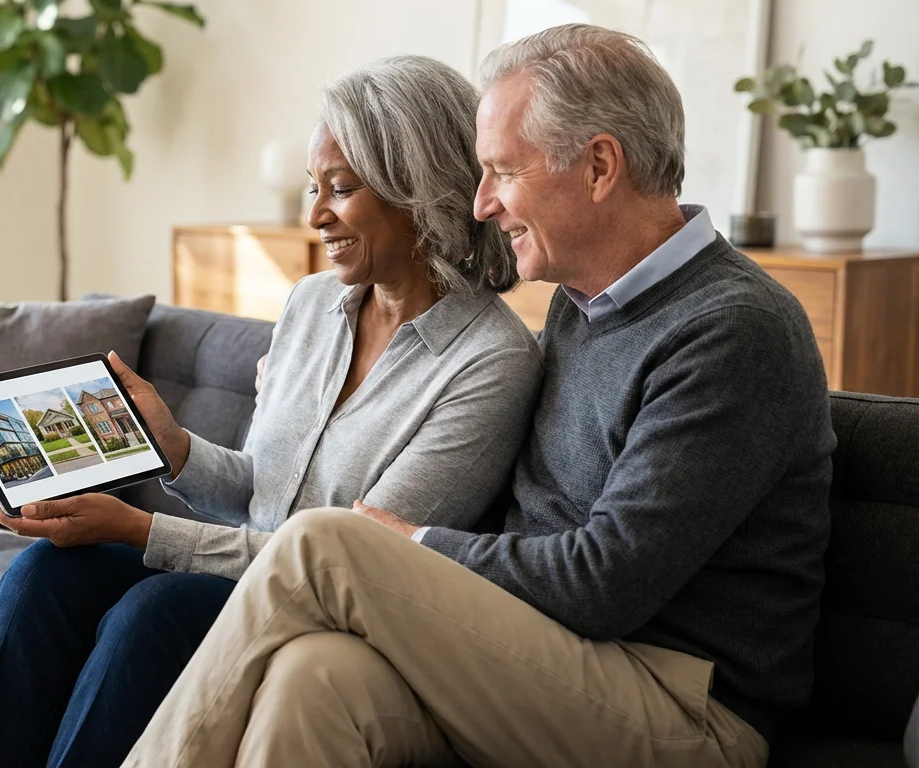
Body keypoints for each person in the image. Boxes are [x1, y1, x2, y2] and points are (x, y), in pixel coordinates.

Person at [123, 24, 834, 768]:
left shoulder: (732, 331)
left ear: (598, 166)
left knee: (325, 541)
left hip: (684, 704)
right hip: (552, 652)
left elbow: (604, 584)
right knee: (316, 678)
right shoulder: (581, 305)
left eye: (501, 171)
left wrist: (415, 545)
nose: (482, 203)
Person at [0, 56, 544, 768]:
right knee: (43, 575)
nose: (315, 215)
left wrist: (139, 528)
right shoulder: (312, 303)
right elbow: (265, 489)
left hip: (335, 618)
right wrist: (175, 448)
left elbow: (348, 562)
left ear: (416, 189)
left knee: (154, 614)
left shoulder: (490, 362)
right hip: (244, 577)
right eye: (312, 189)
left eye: (340, 190)